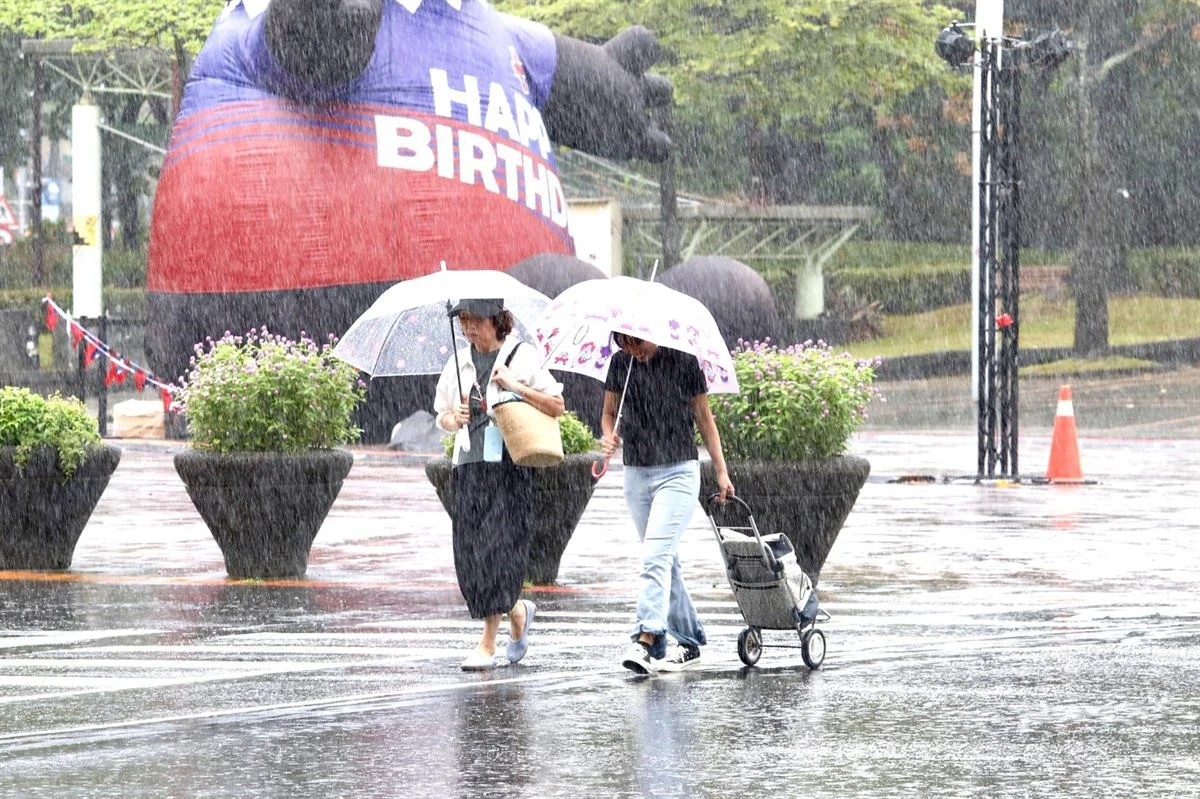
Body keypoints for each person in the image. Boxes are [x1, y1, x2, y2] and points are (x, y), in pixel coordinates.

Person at [433, 298, 565, 671]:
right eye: (463, 321)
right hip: (469, 466)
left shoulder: (520, 357)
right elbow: (440, 414)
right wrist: (452, 417)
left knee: (496, 550)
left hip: (509, 467)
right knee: (470, 555)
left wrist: (513, 387)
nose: (469, 329)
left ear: (496, 321)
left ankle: (488, 643)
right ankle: (517, 610)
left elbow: (556, 404)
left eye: (475, 321)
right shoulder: (458, 363)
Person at [600, 332, 734, 674]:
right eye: (624, 344)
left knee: (654, 556)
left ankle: (646, 639)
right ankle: (690, 640)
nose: (634, 352)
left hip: (678, 472)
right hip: (637, 473)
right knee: (664, 562)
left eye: (638, 344)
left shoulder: (684, 361)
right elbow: (608, 414)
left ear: (652, 333)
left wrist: (721, 472)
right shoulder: (621, 364)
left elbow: (705, 419)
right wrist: (608, 436)